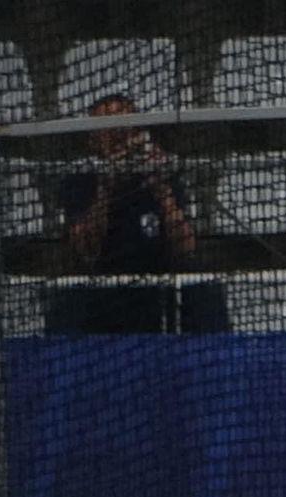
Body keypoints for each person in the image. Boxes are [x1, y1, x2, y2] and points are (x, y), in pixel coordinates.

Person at [51, 93, 225, 333]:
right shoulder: (80, 179)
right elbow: (86, 249)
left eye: (125, 124)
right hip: (100, 296)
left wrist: (161, 188)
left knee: (206, 292)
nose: (119, 134)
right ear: (92, 139)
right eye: (107, 127)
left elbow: (185, 246)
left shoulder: (158, 173)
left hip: (155, 293)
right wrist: (106, 187)